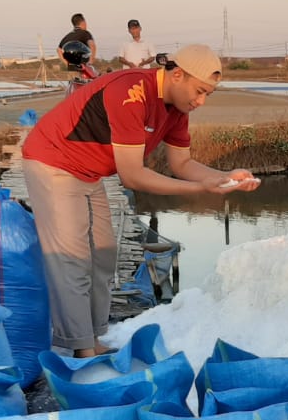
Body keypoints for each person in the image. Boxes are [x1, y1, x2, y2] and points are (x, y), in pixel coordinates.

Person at [22, 44, 259, 357]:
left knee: (104, 256)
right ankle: (80, 351)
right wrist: (201, 190)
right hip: (53, 162)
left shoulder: (177, 109)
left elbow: (182, 165)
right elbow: (133, 176)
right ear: (177, 75)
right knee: (74, 260)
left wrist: (223, 176)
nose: (200, 102)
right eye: (199, 91)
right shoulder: (131, 92)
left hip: (90, 172)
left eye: (207, 95)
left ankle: (92, 339)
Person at [57, 13, 97, 89]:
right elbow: (92, 45)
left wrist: (68, 64)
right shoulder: (85, 33)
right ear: (83, 22)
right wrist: (91, 61)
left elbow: (58, 50)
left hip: (72, 70)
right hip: (84, 69)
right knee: (88, 89)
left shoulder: (68, 36)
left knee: (73, 90)